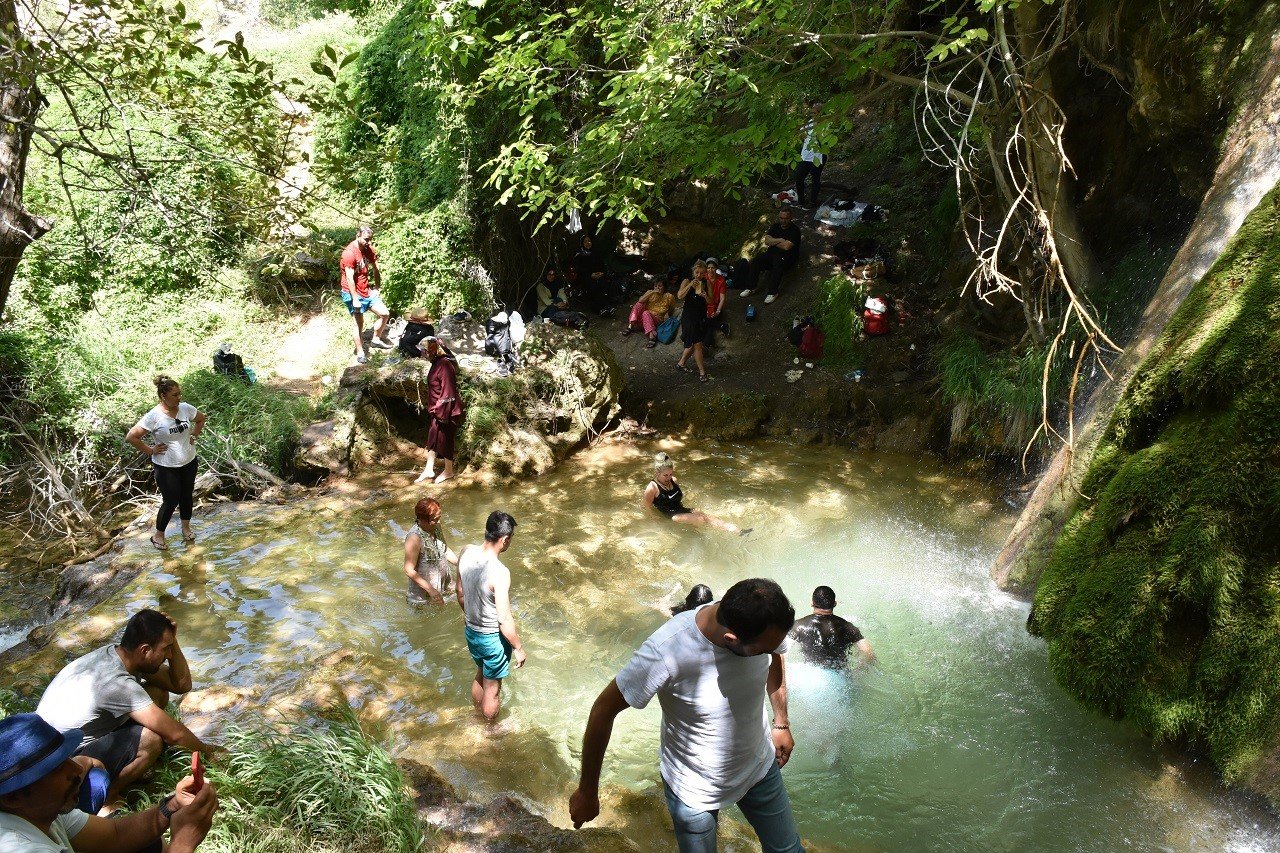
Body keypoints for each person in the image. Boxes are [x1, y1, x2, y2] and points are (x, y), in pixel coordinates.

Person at [569, 578, 802, 853]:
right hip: (694, 789)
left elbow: (776, 653)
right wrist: (587, 791)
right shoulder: (666, 650)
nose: (771, 650)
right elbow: (603, 710)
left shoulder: (763, 622)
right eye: (761, 650)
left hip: (759, 768)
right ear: (731, 639)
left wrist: (781, 722)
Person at [36, 610, 219, 815]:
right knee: (151, 739)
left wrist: (172, 640)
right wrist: (209, 753)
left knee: (157, 692)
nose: (169, 656)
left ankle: (129, 766)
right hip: (62, 763)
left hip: (61, 745)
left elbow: (181, 684)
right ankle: (108, 796)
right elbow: (175, 735)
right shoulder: (116, 683)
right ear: (144, 650)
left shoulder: (120, 655)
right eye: (166, 649)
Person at [0, 714, 218, 852]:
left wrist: (172, 806)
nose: (77, 769)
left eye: (66, 758)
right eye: (56, 769)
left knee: (149, 846)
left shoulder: (43, 810)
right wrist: (183, 843)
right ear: (12, 797)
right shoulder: (20, 848)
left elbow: (115, 834)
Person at [456, 511, 526, 726]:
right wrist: (518, 648)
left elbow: (459, 592)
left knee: (481, 673)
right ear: (505, 539)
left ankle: (477, 715)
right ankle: (489, 728)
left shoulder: (466, 552)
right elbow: (504, 619)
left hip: (472, 632)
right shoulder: (500, 572)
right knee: (493, 689)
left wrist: (470, 617)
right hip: (492, 638)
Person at [125, 376, 206, 551]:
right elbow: (131, 437)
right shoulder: (154, 416)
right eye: (175, 395)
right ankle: (158, 536)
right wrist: (150, 450)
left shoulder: (185, 408)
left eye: (180, 394)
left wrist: (194, 434)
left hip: (189, 461)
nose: (179, 398)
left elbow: (201, 418)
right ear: (163, 396)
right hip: (166, 466)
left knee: (186, 496)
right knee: (170, 501)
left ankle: (186, 529)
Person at [643, 453, 748, 535]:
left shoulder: (673, 480)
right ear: (657, 472)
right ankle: (707, 536)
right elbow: (646, 507)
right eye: (665, 475)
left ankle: (738, 531)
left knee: (706, 516)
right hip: (672, 516)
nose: (669, 477)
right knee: (701, 519)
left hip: (681, 509)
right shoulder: (652, 488)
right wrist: (655, 520)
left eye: (670, 474)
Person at [415, 337, 465, 485]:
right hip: (436, 409)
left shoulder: (444, 364)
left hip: (446, 410)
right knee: (433, 439)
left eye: (423, 351)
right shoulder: (436, 363)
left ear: (431, 350)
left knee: (445, 439)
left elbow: (448, 391)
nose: (422, 354)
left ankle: (448, 471)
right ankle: (428, 469)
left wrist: (442, 413)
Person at [788, 586, 876, 668]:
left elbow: (783, 652)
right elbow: (869, 655)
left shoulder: (797, 626)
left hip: (810, 673)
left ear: (812, 603)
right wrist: (858, 671)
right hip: (839, 674)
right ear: (834, 604)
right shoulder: (848, 627)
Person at [340, 225, 391, 364]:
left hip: (367, 290)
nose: (368, 242)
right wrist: (355, 299)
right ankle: (360, 352)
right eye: (366, 239)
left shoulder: (369, 249)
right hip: (352, 293)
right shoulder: (349, 253)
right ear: (358, 236)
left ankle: (376, 339)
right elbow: (350, 278)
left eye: (370, 239)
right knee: (358, 323)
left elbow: (376, 269)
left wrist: (377, 287)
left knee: (384, 313)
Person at [739, 208, 802, 305]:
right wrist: (780, 240)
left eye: (786, 218)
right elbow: (767, 241)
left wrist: (774, 241)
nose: (783, 220)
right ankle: (751, 287)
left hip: (787, 258)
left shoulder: (795, 230)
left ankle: (773, 292)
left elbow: (786, 247)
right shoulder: (775, 226)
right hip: (771, 255)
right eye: (781, 218)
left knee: (778, 262)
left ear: (790, 218)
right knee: (757, 260)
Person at [403, 497, 460, 605]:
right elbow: (408, 570)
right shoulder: (414, 538)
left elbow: (444, 549)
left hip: (444, 585)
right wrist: (430, 590)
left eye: (439, 517)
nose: (438, 521)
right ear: (423, 519)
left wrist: (460, 564)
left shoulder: (436, 526)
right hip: (423, 595)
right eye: (435, 519)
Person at [676, 263, 710, 381]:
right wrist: (690, 284)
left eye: (702, 273)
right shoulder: (687, 281)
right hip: (689, 317)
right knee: (697, 344)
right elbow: (679, 296)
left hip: (701, 317)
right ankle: (702, 372)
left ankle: (681, 363)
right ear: (693, 271)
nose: (699, 275)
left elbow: (711, 301)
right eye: (697, 272)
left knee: (692, 343)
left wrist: (705, 296)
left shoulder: (706, 283)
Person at [622, 279, 678, 348]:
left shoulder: (669, 296)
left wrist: (669, 319)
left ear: (664, 287)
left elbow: (671, 309)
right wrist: (652, 292)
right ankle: (630, 326)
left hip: (656, 320)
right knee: (638, 304)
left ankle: (652, 337)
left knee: (646, 312)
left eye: (660, 286)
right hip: (644, 320)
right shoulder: (650, 292)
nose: (657, 288)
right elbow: (640, 300)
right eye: (655, 286)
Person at [571, 234, 614, 317]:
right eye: (585, 242)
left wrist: (602, 273)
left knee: (603, 283)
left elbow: (602, 265)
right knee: (594, 286)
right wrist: (590, 275)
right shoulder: (579, 255)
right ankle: (599, 309)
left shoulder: (595, 253)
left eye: (589, 241)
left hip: (598, 275)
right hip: (585, 277)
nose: (588, 243)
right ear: (582, 243)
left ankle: (606, 307)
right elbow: (579, 270)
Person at [795, 101, 825, 209]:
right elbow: (801, 134)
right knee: (799, 177)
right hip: (805, 155)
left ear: (820, 113)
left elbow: (824, 140)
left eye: (815, 112)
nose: (813, 114)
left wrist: (817, 127)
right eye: (812, 112)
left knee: (815, 179)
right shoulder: (809, 122)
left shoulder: (825, 123)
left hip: (818, 156)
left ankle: (813, 202)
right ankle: (801, 201)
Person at [702, 257, 729, 349]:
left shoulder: (721, 280)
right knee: (706, 320)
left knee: (708, 320)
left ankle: (706, 345)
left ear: (716, 268)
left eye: (712, 268)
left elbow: (722, 299)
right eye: (708, 268)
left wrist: (718, 311)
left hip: (716, 306)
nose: (710, 270)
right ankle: (721, 326)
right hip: (705, 306)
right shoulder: (703, 277)